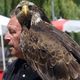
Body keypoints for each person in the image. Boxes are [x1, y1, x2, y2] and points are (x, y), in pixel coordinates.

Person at [3, 15, 42, 80]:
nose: (6, 37)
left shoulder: (51, 70)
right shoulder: (10, 68)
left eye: (12, 32)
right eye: (7, 31)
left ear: (29, 34)